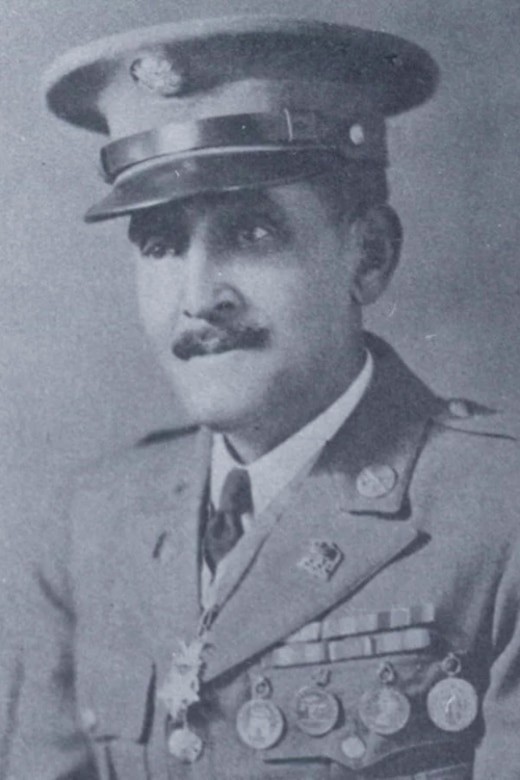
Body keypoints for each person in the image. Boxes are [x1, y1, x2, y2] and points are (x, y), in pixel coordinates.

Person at [2, 14, 520, 780]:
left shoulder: (495, 517)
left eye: (251, 233)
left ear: (368, 257)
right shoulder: (92, 528)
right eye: (161, 243)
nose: (198, 296)